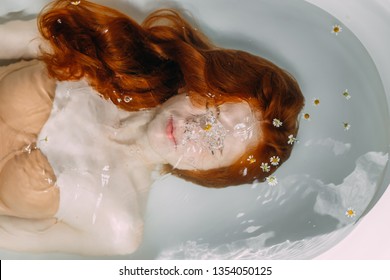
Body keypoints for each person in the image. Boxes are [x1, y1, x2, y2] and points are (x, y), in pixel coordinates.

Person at [0, 0, 304, 255]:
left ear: (207, 174)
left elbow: (8, 237)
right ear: (199, 81)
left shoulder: (117, 226)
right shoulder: (110, 53)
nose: (193, 128)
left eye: (214, 145)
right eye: (212, 107)